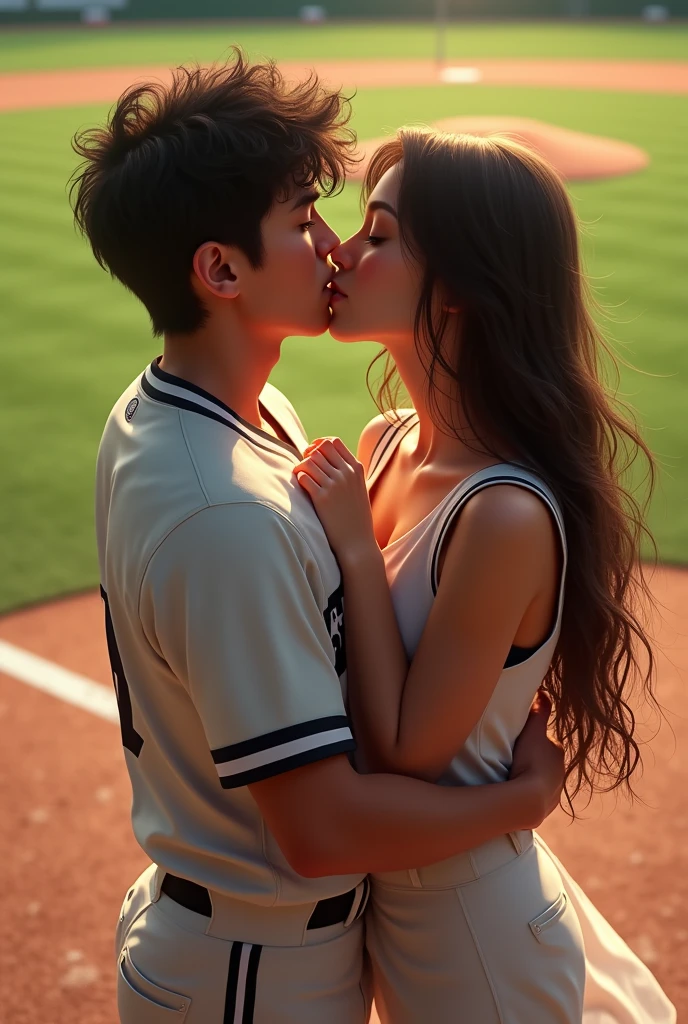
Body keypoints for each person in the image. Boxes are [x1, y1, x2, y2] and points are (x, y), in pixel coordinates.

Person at [70, 59, 565, 1024]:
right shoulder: (228, 511)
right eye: (304, 222)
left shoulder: (206, 411)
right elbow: (323, 830)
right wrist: (522, 803)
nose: (332, 246)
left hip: (271, 946)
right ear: (219, 271)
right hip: (252, 971)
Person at [295, 128, 676, 1023]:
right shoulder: (386, 448)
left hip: (476, 939)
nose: (342, 252)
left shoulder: (502, 514)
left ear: (461, 285)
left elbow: (404, 751)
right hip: (409, 915)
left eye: (380, 236)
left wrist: (355, 547)